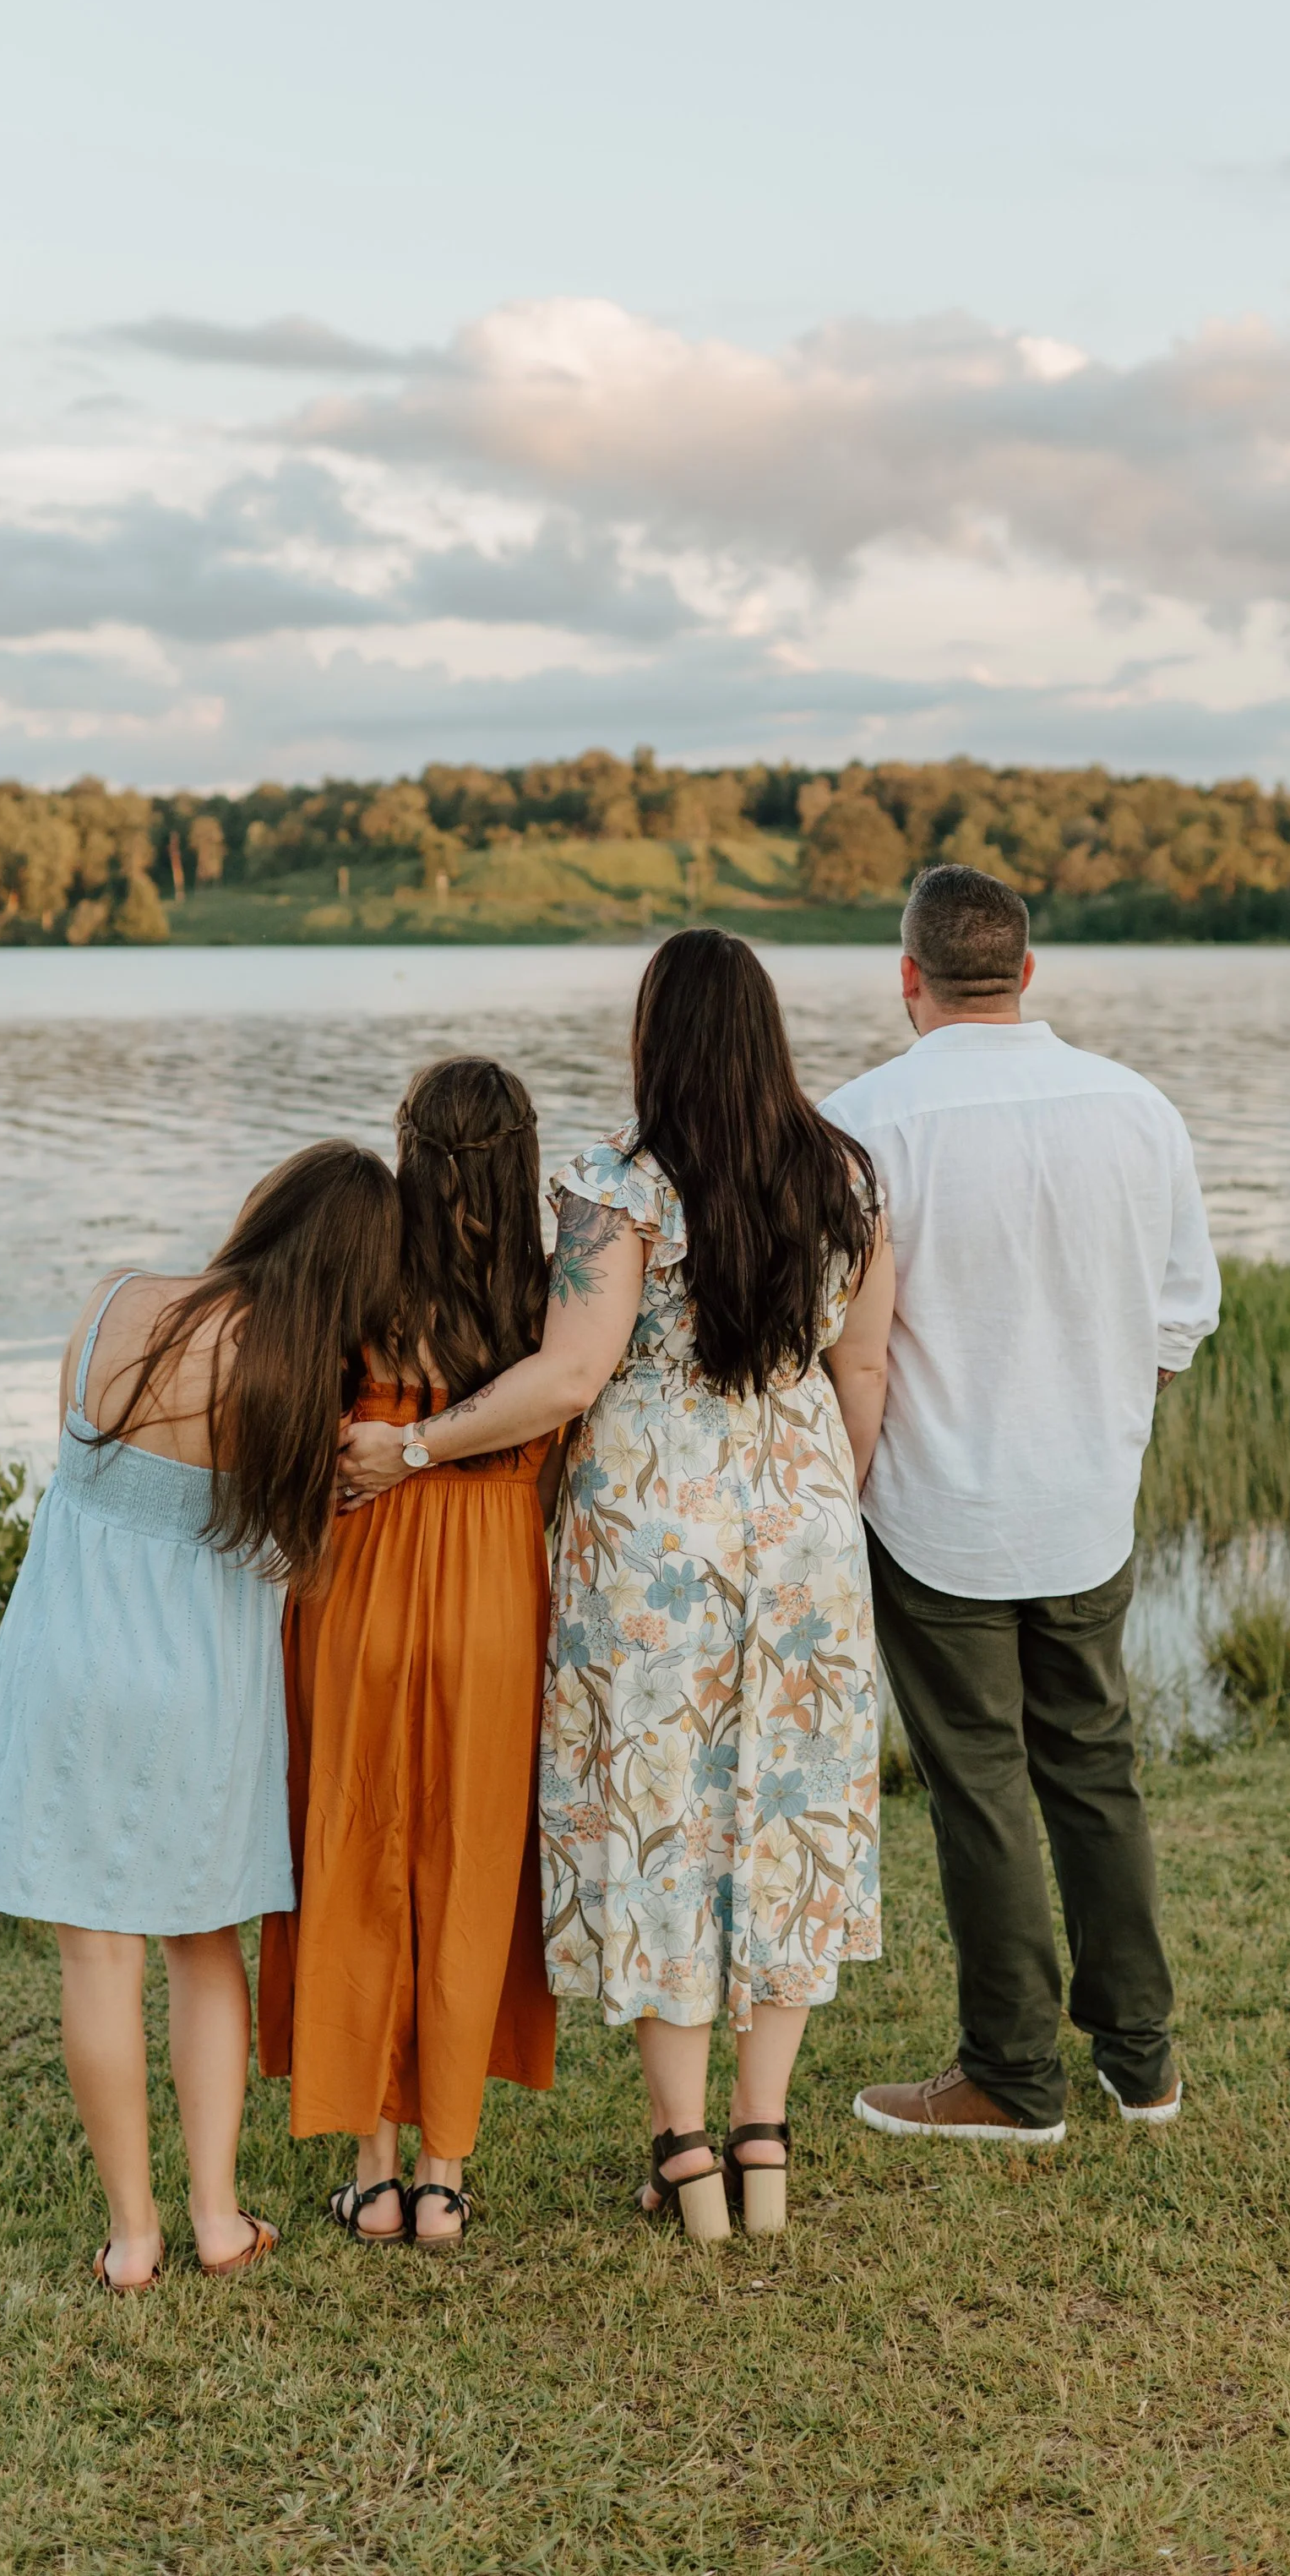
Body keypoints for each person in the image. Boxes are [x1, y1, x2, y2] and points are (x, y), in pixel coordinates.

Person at [338, 927, 894, 2241]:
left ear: (661, 1040)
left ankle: (687, 2151)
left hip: (651, 1544)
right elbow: (861, 1371)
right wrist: (822, 1507)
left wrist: (416, 1445)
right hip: (805, 1521)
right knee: (785, 1820)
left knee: (664, 1818)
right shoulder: (852, 1181)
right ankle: (764, 2139)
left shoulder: (614, 1186)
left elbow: (570, 1376)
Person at [0, 1141, 398, 2292]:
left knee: (97, 1959)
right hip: (197, 1684)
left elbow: (80, 1478)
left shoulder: (110, 1303)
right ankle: (214, 2217)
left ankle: (133, 2236)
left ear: (262, 1214)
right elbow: (301, 1571)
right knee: (205, 1944)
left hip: (67, 1660)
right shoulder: (299, 1390)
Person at [818, 863, 1220, 2147]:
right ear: (1029, 971)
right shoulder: (1139, 1108)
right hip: (1087, 1499)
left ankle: (1010, 2074)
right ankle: (1141, 2064)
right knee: (1096, 1772)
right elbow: (1180, 1321)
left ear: (909, 976)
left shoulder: (863, 1123)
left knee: (980, 1786)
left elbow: (835, 1339)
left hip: (934, 1509)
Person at [258, 1057, 560, 2250]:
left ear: (412, 1155)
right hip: (494, 1597)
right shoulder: (546, 1301)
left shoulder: (370, 1279)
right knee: (469, 1858)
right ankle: (443, 2173)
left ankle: (372, 2170)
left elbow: (291, 1411)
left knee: (355, 1843)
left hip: (360, 1589)